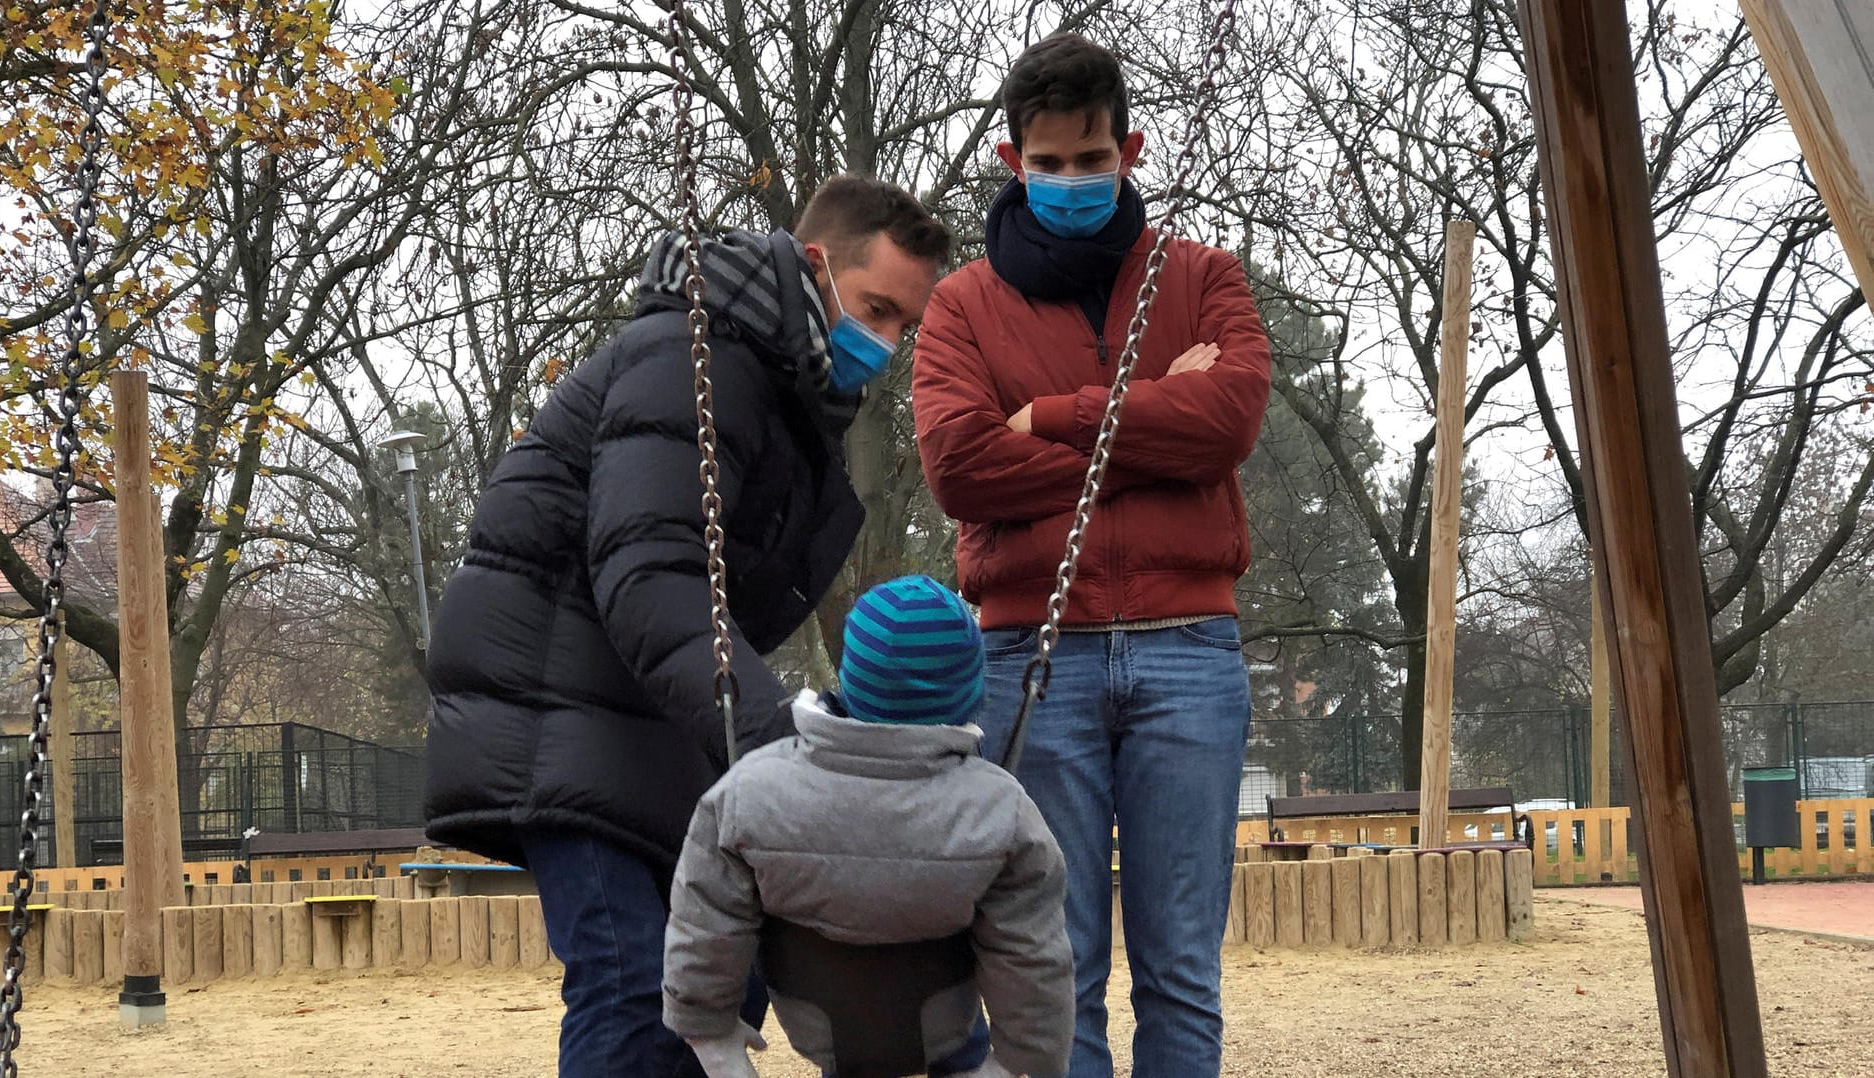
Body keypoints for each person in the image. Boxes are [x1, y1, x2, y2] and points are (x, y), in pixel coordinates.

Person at [423, 175, 952, 1078]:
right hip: (556, 698)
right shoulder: (695, 352)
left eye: (905, 323)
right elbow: (650, 569)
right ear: (815, 267)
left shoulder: (776, 381)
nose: (887, 343)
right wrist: (772, 733)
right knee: (635, 977)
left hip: (631, 705)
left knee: (710, 971)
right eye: (876, 309)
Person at [909, 32, 1272, 1078]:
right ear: (1012, 160)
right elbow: (960, 468)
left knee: (1181, 970)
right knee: (1051, 968)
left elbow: (1233, 418)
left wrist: (1054, 417)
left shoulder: (1201, 278)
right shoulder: (962, 307)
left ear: (1132, 149)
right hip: (1034, 654)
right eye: (1051, 161)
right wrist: (1149, 435)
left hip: (1190, 650)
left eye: (1093, 157)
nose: (1073, 178)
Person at [662, 574, 1073, 1078]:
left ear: (850, 679)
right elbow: (1031, 954)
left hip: (815, 1021)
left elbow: (704, 915)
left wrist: (709, 1030)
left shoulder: (750, 790)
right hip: (943, 1026)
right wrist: (1020, 1060)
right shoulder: (1000, 808)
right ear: (969, 693)